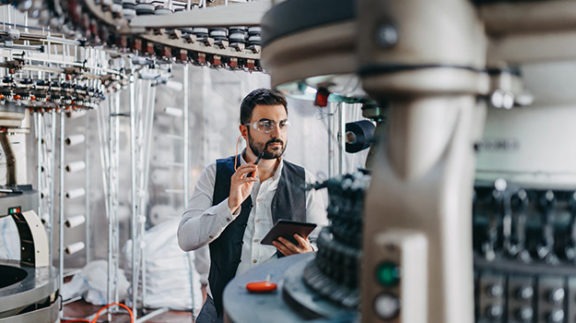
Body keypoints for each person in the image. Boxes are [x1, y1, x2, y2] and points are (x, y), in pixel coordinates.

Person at [177, 88, 327, 323]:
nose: (277, 133)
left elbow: (324, 248)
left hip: (280, 310)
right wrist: (230, 204)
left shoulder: (304, 180)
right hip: (219, 311)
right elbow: (186, 239)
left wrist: (309, 256)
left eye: (283, 124)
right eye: (266, 124)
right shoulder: (216, 174)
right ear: (244, 131)